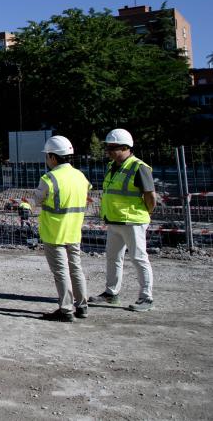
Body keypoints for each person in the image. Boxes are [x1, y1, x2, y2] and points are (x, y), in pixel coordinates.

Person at [89, 129, 156, 312]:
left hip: (132, 221)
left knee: (139, 258)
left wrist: (144, 214)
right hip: (114, 221)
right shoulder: (113, 167)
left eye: (113, 147)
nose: (109, 151)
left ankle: (146, 297)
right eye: (108, 147)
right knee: (113, 258)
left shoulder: (138, 167)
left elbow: (150, 197)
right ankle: (111, 294)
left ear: (126, 147)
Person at [32, 136, 91, 322]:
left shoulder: (49, 178)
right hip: (74, 231)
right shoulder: (80, 176)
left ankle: (66, 310)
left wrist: (27, 204)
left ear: (53, 157)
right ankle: (82, 306)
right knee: (75, 268)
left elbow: (37, 200)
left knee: (61, 272)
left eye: (47, 156)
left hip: (54, 232)